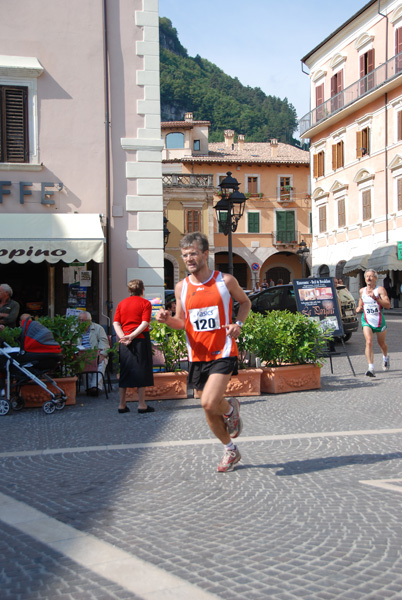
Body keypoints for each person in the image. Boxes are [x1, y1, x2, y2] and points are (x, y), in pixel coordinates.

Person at [156, 232, 251, 473]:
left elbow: (246, 303)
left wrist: (237, 324)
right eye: (185, 254)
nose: (189, 258)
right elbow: (182, 322)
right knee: (207, 406)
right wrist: (168, 320)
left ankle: (230, 410)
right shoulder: (182, 287)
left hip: (224, 351)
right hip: (197, 355)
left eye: (193, 254)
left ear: (205, 254)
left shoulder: (225, 281)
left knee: (209, 402)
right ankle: (230, 448)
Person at [113, 279, 155, 414]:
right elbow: (144, 323)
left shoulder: (122, 303)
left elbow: (116, 323)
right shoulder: (145, 303)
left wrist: (123, 336)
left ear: (129, 290)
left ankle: (121, 405)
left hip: (124, 341)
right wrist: (132, 336)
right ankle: (141, 405)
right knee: (141, 370)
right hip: (140, 340)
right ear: (142, 289)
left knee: (124, 370)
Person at [356, 269, 391, 377]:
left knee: (382, 344)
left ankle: (385, 357)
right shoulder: (362, 290)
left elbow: (388, 305)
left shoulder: (380, 290)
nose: (369, 278)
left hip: (379, 320)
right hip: (367, 320)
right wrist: (359, 307)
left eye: (371, 276)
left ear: (375, 278)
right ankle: (371, 367)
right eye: (367, 276)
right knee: (369, 341)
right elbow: (361, 301)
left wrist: (376, 299)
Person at [77, 311, 110, 396]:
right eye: (79, 320)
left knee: (102, 361)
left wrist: (102, 354)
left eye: (83, 320)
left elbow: (104, 342)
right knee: (82, 363)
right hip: (82, 354)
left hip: (95, 353)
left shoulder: (98, 328)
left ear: (89, 321)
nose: (81, 322)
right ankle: (88, 387)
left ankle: (95, 387)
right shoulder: (75, 329)